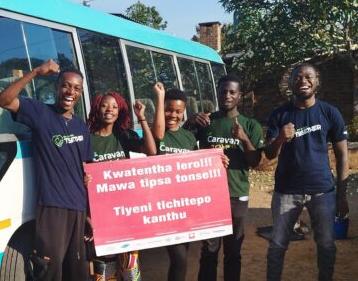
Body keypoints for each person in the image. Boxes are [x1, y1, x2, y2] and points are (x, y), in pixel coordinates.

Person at [0, 59, 93, 281]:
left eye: (76, 88)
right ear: (56, 87)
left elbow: (85, 169)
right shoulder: (40, 113)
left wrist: (88, 212)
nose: (71, 92)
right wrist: (37, 71)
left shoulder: (81, 126)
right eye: (66, 85)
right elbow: (3, 100)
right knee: (50, 270)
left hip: (78, 207)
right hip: (52, 207)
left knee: (77, 272)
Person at [264, 63, 349, 281]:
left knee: (327, 245)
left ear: (317, 82)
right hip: (286, 191)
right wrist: (282, 137)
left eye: (309, 77)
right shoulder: (279, 114)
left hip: (322, 191)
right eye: (298, 77)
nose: (303, 81)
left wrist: (341, 194)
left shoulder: (330, 113)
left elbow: (342, 155)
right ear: (290, 83)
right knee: (277, 245)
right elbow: (270, 154)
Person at [184, 74, 263, 281]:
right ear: (217, 93)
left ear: (240, 95)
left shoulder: (250, 124)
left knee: (233, 252)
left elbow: (255, 162)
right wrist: (189, 122)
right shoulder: (206, 121)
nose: (227, 96)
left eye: (232, 92)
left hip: (237, 195)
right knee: (208, 253)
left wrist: (244, 138)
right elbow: (180, 145)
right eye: (223, 91)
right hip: (209, 196)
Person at [152, 83, 229, 281]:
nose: (173, 115)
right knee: (180, 259)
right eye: (168, 110)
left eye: (178, 111)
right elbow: (158, 135)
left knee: (181, 257)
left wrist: (217, 163)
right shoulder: (156, 136)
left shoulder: (188, 138)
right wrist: (159, 98)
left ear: (184, 112)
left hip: (183, 208)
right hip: (163, 209)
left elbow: (198, 170)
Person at [86, 91, 157, 280]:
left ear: (120, 112)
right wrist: (87, 219)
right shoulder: (87, 139)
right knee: (104, 273)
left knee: (130, 271)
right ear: (97, 108)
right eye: (104, 105)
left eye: (114, 106)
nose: (109, 110)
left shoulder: (123, 136)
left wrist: (142, 118)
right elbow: (81, 177)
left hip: (126, 216)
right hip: (99, 218)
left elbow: (151, 151)